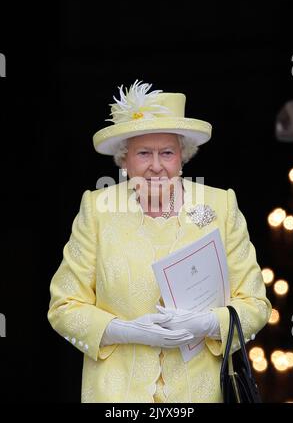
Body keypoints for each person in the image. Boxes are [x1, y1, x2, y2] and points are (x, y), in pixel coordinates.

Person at [47, 80, 272, 403]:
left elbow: (256, 304)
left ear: (183, 156)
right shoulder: (97, 209)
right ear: (124, 160)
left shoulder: (220, 206)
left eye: (167, 152)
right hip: (116, 396)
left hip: (199, 394)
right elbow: (64, 307)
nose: (156, 165)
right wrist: (125, 331)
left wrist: (208, 323)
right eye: (143, 153)